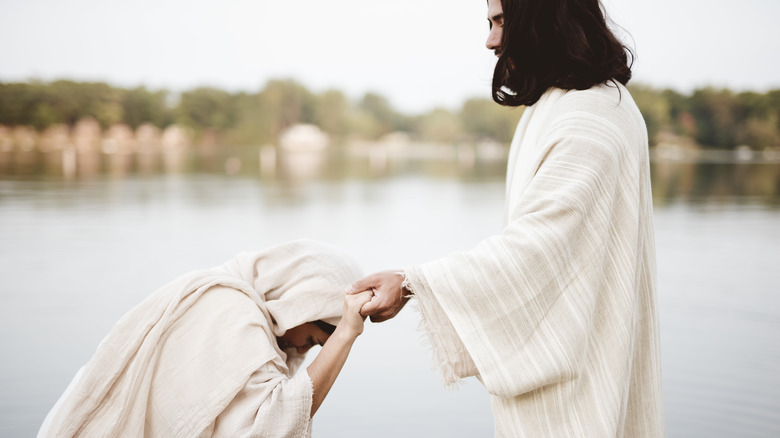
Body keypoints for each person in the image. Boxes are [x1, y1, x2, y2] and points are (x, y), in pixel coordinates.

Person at [348, 0, 664, 436]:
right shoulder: (566, 106)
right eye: (490, 23)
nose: (491, 39)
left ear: (545, 19)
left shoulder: (589, 118)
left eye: (502, 22)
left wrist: (410, 281)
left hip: (580, 404)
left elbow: (534, 253)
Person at [39, 240, 371, 438]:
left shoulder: (229, 300)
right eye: (312, 339)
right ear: (300, 303)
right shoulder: (231, 312)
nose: (302, 350)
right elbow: (271, 426)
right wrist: (345, 334)